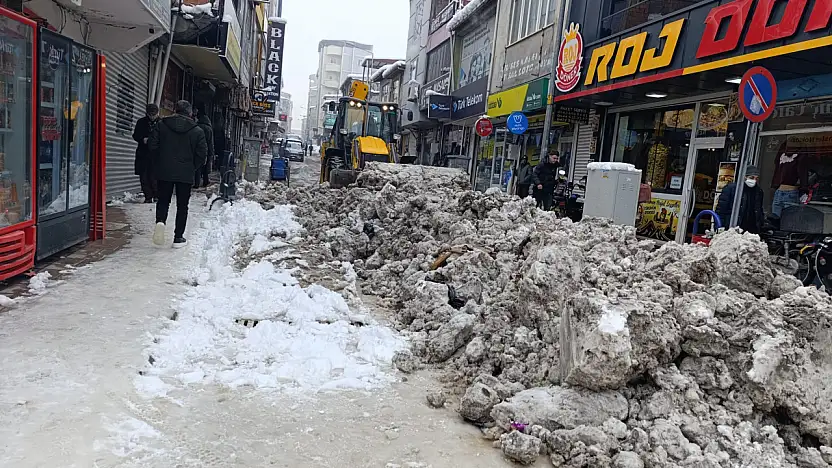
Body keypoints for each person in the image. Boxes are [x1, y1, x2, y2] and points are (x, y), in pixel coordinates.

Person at [149, 100, 208, 248]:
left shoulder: (161, 125)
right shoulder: (197, 131)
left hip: (165, 171)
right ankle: (178, 237)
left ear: (175, 110)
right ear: (189, 113)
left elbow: (152, 145)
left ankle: (161, 222)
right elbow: (202, 154)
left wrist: (159, 163)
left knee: (163, 201)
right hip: (185, 173)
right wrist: (192, 167)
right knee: (183, 205)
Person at [715, 165, 765, 234]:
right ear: (744, 177)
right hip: (732, 227)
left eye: (756, 178)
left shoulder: (758, 191)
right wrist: (719, 227)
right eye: (751, 178)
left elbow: (759, 210)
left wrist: (760, 225)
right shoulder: (731, 189)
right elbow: (721, 210)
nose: (754, 180)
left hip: (751, 230)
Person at [132, 104, 159, 203]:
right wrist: (142, 139)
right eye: (150, 114)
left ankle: (157, 195)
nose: (152, 116)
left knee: (155, 176)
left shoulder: (161, 123)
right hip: (143, 153)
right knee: (144, 176)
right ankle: (148, 196)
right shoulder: (141, 122)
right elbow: (135, 135)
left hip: (156, 154)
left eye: (154, 114)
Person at [193, 107, 214, 188]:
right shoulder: (209, 128)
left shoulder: (197, 127)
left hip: (197, 149)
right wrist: (211, 152)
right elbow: (210, 142)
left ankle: (196, 183)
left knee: (198, 166)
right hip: (207, 149)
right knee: (205, 167)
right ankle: (205, 181)